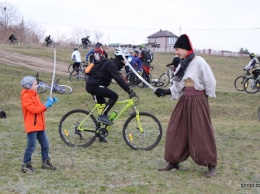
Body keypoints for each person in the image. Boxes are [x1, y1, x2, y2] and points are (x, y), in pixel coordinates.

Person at [154, 34, 217, 178]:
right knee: (175, 129)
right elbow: (176, 87)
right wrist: (164, 91)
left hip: (198, 100)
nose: (175, 52)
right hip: (184, 100)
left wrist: (204, 98)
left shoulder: (199, 61)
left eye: (177, 49)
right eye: (175, 49)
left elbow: (210, 81)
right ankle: (173, 161)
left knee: (201, 132)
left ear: (186, 49)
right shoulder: (181, 65)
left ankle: (211, 164)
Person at [85, 48, 136, 141]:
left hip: (95, 85)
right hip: (94, 86)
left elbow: (115, 77)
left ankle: (100, 135)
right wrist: (129, 90)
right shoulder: (111, 64)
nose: (126, 62)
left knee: (103, 109)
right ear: (121, 59)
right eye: (125, 59)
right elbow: (119, 80)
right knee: (114, 96)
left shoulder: (111, 64)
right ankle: (102, 116)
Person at [20, 76, 58, 173]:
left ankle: (45, 162)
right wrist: (46, 105)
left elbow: (40, 108)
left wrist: (49, 104)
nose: (37, 85)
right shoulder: (26, 96)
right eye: (35, 84)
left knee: (45, 144)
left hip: (40, 124)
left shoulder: (34, 94)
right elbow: (34, 110)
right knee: (31, 146)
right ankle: (25, 164)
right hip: (32, 125)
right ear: (29, 86)